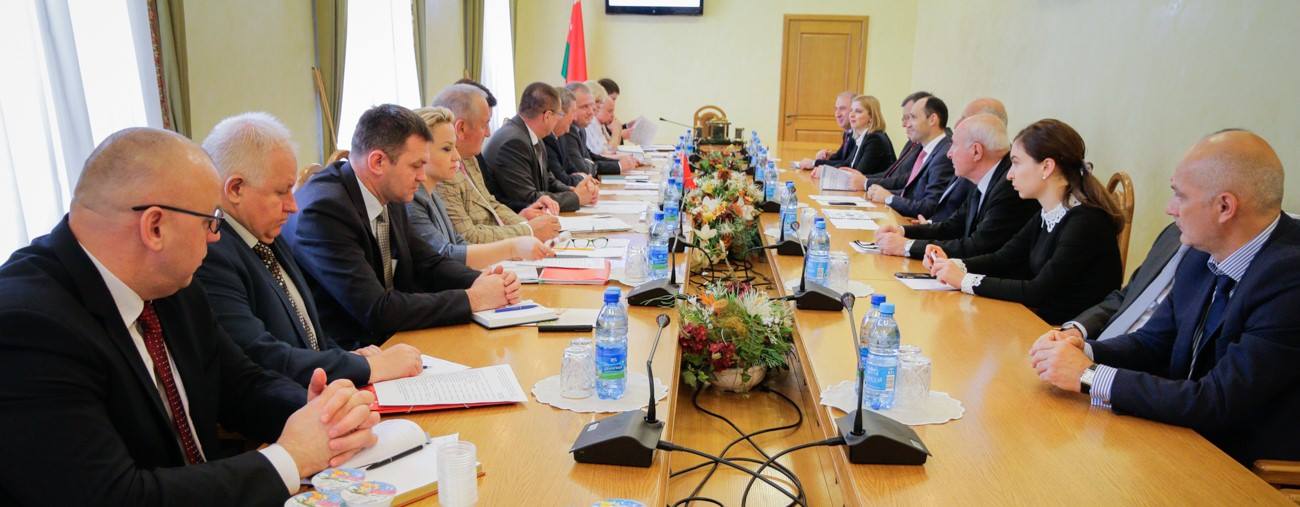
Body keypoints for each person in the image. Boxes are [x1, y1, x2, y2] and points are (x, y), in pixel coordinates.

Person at [0, 127, 379, 505]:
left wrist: (320, 415)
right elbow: (113, 496)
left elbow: (241, 385)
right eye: (209, 220)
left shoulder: (168, 282)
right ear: (155, 227)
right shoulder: (27, 326)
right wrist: (290, 457)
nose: (216, 236)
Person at [1031, 129, 1300, 465]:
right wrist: (1083, 350)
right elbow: (1154, 342)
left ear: (1224, 207)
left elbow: (1219, 401)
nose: (1169, 209)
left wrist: (1088, 376)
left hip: (1242, 465)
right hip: (1180, 435)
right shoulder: (1200, 253)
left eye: (1180, 196)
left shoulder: (1289, 278)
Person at [196, 112, 423, 387]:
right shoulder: (212, 254)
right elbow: (261, 355)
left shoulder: (264, 233)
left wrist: (347, 358)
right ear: (235, 189)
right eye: (281, 192)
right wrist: (365, 367)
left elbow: (309, 333)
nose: (293, 206)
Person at [284, 104, 521, 349]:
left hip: (393, 338)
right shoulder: (325, 211)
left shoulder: (388, 189)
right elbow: (376, 310)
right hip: (352, 353)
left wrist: (486, 281)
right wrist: (471, 299)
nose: (422, 176)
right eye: (416, 166)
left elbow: (427, 263)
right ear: (378, 162)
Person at [927, 119, 1124, 325]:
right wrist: (952, 264)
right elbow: (1003, 259)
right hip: (1039, 322)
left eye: (1016, 163)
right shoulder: (1047, 213)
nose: (1009, 175)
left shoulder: (1085, 221)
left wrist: (963, 279)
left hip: (1064, 333)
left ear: (1046, 167)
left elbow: (1036, 291)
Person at [874, 113, 1038, 259]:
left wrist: (907, 246)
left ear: (976, 151)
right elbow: (953, 226)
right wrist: (903, 231)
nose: (949, 153)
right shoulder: (981, 177)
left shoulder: (1009, 187)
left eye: (954, 145)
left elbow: (977, 247)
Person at [408, 106, 554, 269]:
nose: (457, 156)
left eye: (455, 147)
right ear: (420, 152)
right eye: (447, 149)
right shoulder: (414, 198)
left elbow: (459, 243)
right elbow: (446, 254)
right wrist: (515, 244)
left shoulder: (432, 193)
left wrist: (522, 228)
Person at [431, 83, 562, 244]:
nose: (488, 133)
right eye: (484, 124)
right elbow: (467, 237)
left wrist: (524, 223)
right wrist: (529, 230)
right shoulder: (441, 170)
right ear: (461, 128)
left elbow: (491, 204)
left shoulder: (470, 157)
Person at [1049, 223, 1186, 341]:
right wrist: (1078, 328)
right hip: (1099, 346)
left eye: (1182, 200)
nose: (1169, 210)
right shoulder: (1172, 233)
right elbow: (1125, 296)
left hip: (1132, 358)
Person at [481, 82, 598, 213]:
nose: (558, 120)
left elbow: (549, 180)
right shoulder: (513, 143)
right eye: (559, 115)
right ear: (547, 116)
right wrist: (576, 198)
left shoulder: (531, 136)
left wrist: (572, 190)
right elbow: (528, 199)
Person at [848, 95, 960, 220]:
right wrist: (878, 192)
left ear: (932, 119)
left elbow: (929, 207)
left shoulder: (944, 154)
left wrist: (889, 198)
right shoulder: (928, 149)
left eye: (913, 118)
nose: (908, 124)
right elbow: (910, 191)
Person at [811, 94, 896, 177]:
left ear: (871, 117)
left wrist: (825, 172)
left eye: (858, 111)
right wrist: (822, 167)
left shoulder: (875, 139)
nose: (851, 115)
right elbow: (847, 164)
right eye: (851, 110)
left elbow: (858, 174)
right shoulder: (862, 137)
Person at [562, 81, 636, 175]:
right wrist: (619, 165)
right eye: (585, 107)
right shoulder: (568, 131)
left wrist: (619, 162)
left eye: (591, 105)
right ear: (571, 108)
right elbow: (581, 168)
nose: (591, 112)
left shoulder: (580, 129)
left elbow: (591, 157)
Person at [541, 87, 590, 185]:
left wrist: (584, 178)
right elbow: (562, 179)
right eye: (573, 112)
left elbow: (571, 168)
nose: (575, 118)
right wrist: (583, 178)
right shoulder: (546, 138)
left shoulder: (561, 136)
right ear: (561, 113)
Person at [797, 91, 857, 170]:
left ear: (854, 111)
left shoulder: (858, 135)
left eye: (842, 109)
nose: (837, 114)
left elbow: (846, 164)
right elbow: (841, 157)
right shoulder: (848, 132)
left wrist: (814, 163)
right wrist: (829, 157)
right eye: (836, 109)